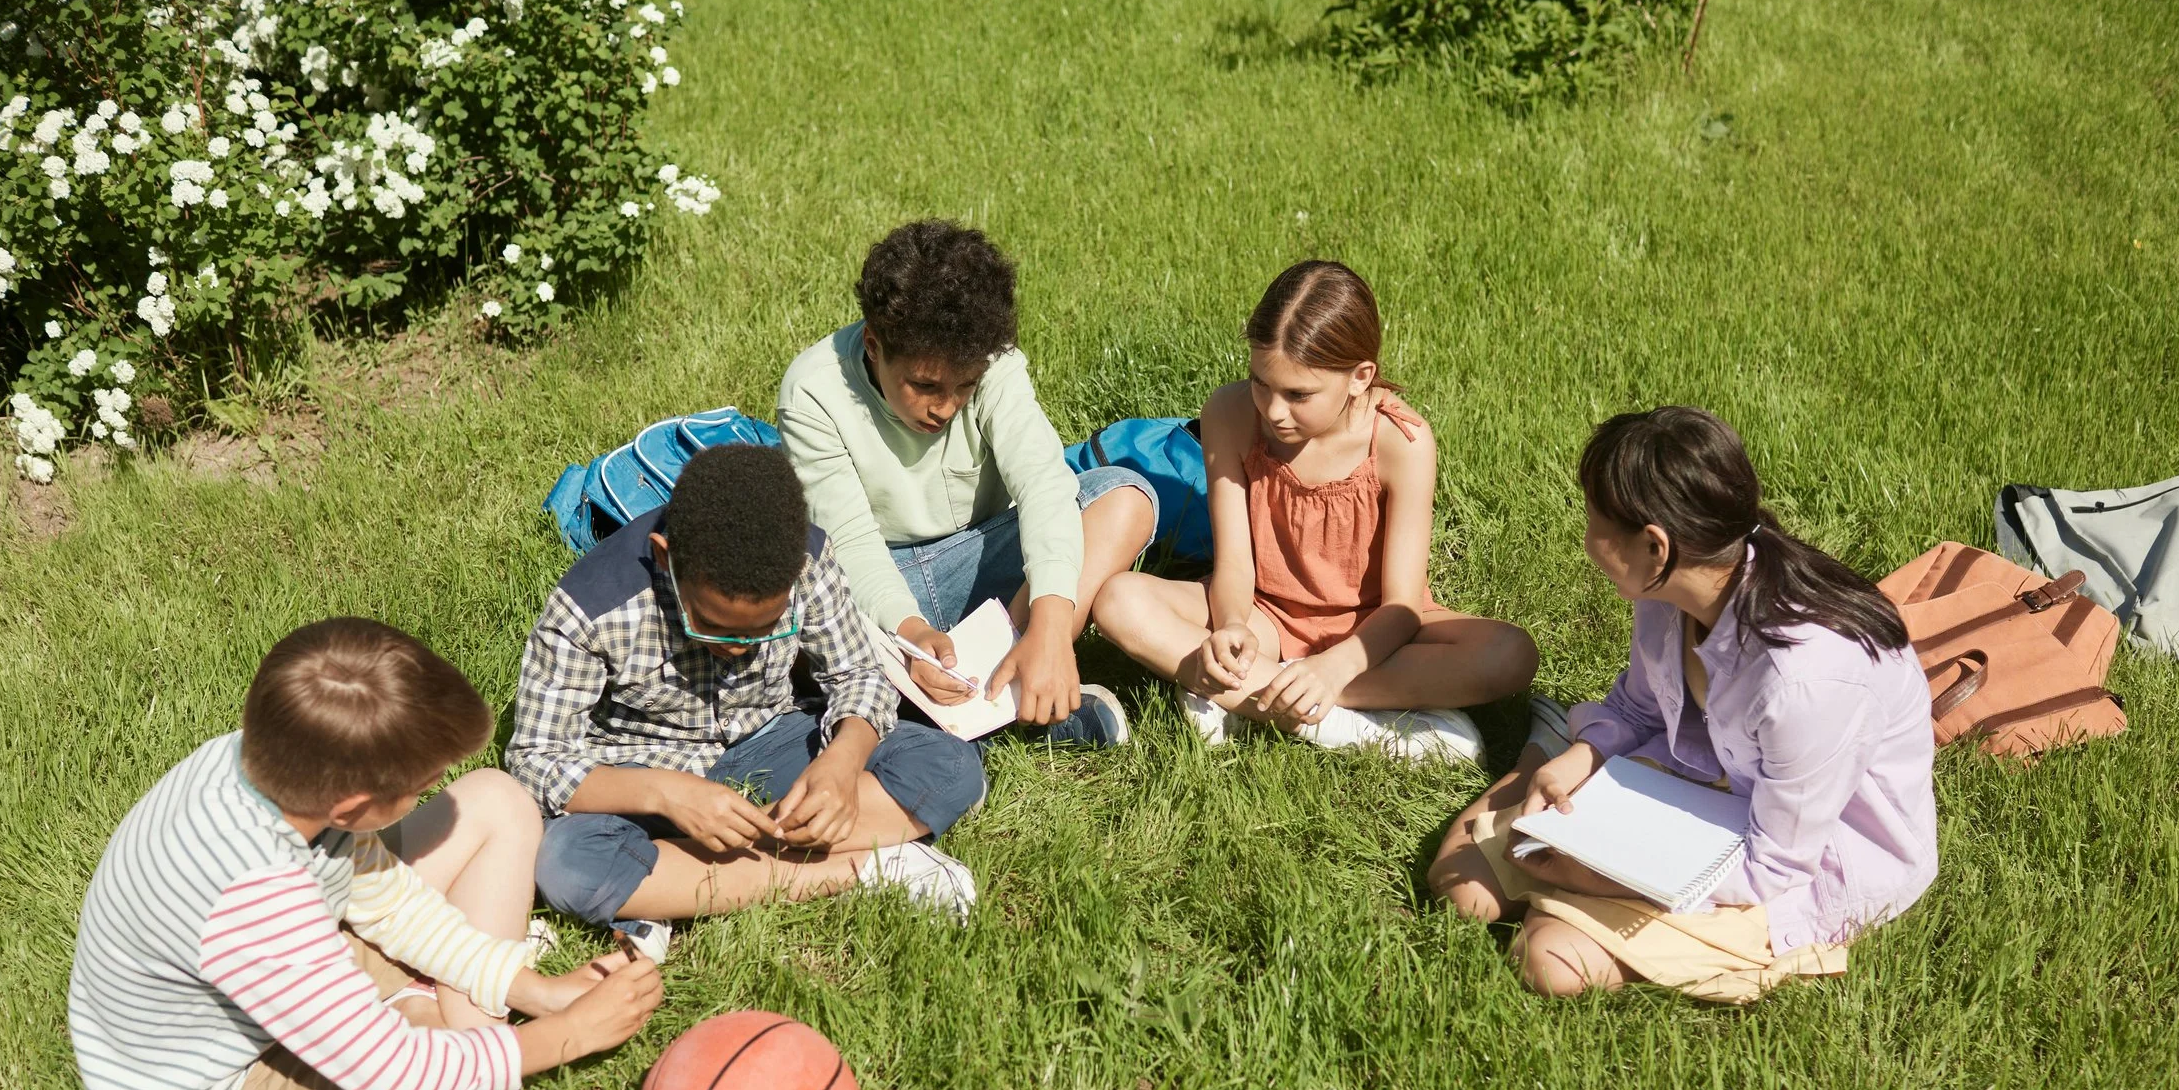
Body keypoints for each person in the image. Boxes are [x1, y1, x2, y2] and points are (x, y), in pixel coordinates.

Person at [67, 618, 665, 1090]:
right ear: (353, 808)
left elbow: (390, 903)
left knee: (497, 800)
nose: (431, 793)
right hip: (215, 1085)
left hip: (284, 967)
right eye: (420, 789)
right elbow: (395, 1078)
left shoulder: (270, 764)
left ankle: (449, 1023)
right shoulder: (255, 899)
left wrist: (538, 991)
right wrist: (570, 1036)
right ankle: (447, 1035)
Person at [1428, 406, 1937, 1003]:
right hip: (1689, 785)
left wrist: (1592, 874)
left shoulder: (1806, 681)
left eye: (1594, 523)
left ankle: (1574, 897)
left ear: (1654, 544)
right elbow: (1640, 710)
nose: (1586, 540)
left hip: (1795, 858)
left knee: (1549, 961)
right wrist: (1579, 759)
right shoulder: (1668, 588)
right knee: (1460, 894)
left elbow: (1774, 868)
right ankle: (1540, 752)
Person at [510, 444, 989, 932]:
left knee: (951, 765)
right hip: (642, 768)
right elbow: (536, 758)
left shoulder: (806, 556)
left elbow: (857, 675)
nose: (739, 648)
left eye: (765, 629)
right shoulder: (587, 610)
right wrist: (664, 794)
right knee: (566, 863)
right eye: (714, 627)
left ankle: (668, 885)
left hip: (771, 737)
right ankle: (865, 865)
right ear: (666, 557)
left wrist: (842, 762)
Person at [1090, 260, 1535, 763]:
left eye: (1298, 394)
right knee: (1118, 600)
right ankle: (1357, 726)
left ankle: (1254, 695)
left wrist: (1334, 668)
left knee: (1510, 654)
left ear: (1359, 377)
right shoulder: (1229, 413)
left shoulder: (1402, 442)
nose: (1273, 410)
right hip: (1265, 615)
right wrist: (1233, 624)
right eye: (1261, 382)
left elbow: (1403, 606)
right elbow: (1235, 562)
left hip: (1375, 633)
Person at [778, 218, 1157, 748]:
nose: (946, 405)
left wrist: (1051, 620)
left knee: (1124, 497)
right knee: (785, 607)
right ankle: (1007, 705)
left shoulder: (995, 361)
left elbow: (1044, 486)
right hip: (878, 583)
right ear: (873, 345)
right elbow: (850, 544)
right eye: (924, 384)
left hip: (986, 561)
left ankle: (1013, 675)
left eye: (966, 385)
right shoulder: (813, 391)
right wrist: (908, 631)